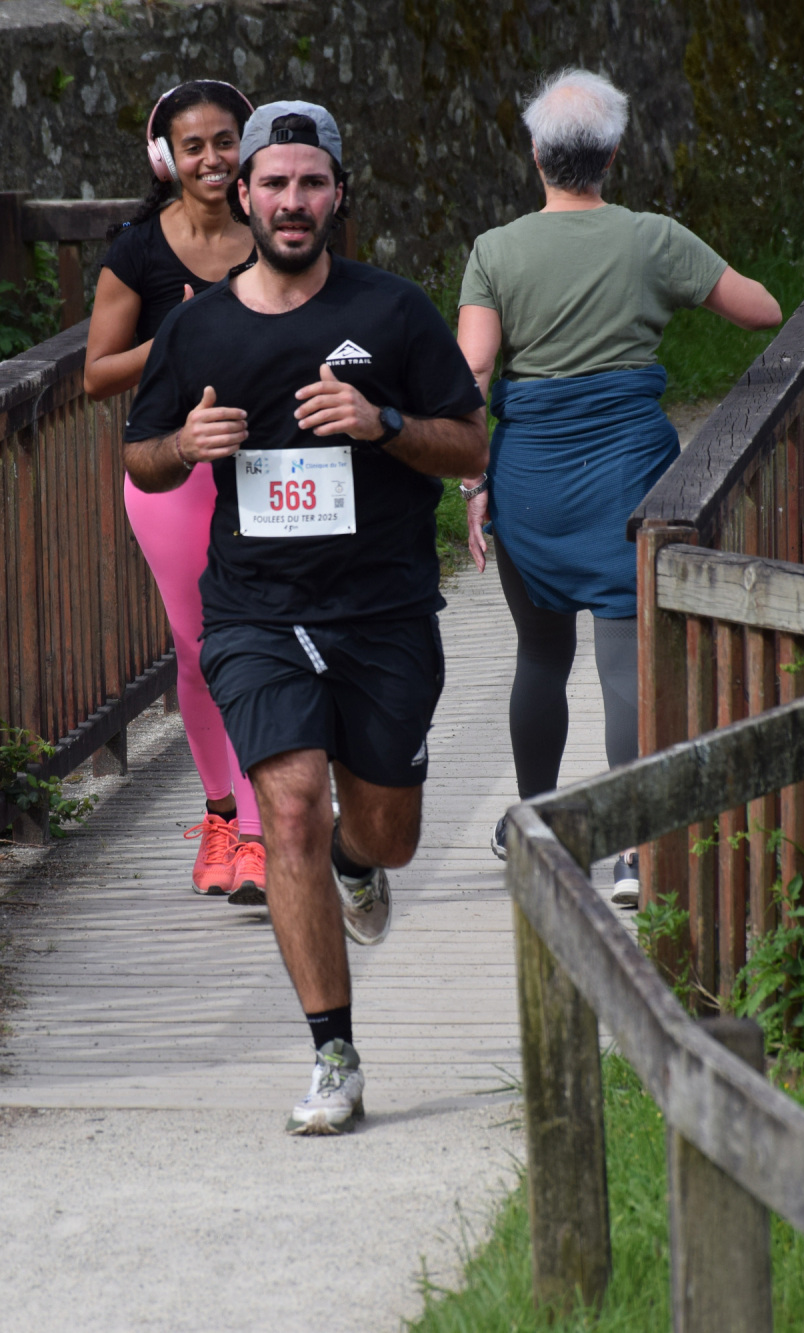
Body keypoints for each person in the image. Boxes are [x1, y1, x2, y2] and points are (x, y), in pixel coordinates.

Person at [123, 100, 488, 1134]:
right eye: (274, 183)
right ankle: (334, 1054)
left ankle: (358, 865)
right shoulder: (197, 326)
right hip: (255, 612)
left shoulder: (393, 312)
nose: (292, 201)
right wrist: (185, 445)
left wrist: (382, 423)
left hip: (383, 610)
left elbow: (471, 444)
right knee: (287, 812)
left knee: (385, 832)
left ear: (337, 196)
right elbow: (140, 456)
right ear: (242, 194)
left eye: (311, 183)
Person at [454, 68, 782, 905]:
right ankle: (637, 847)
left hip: (530, 477)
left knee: (540, 655)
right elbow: (762, 310)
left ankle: (539, 827)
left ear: (536, 155)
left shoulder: (495, 251)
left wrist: (474, 482)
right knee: (626, 663)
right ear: (611, 155)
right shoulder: (651, 237)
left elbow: (473, 372)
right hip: (630, 471)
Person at [84, 80, 270, 901]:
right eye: (193, 146)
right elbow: (96, 373)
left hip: (268, 467)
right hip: (172, 476)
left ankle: (262, 835)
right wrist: (177, 334)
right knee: (198, 651)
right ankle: (223, 816)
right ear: (166, 157)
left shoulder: (277, 228)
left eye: (226, 141)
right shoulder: (137, 251)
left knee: (260, 639)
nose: (212, 159)